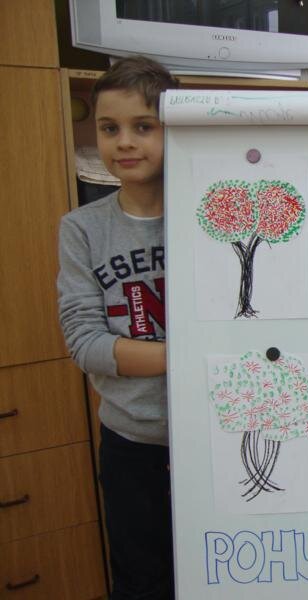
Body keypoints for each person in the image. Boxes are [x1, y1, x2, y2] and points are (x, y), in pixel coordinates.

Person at [57, 56, 180, 600]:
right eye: (109, 128)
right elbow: (85, 343)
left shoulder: (205, 217)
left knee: (219, 568)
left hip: (213, 435)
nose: (124, 142)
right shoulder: (81, 229)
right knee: (142, 579)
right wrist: (185, 354)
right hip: (132, 441)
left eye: (143, 126)